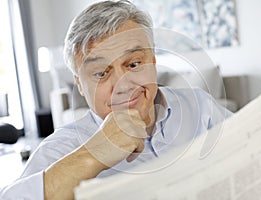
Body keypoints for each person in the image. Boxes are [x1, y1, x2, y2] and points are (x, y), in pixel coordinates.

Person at [0, 1, 232, 199]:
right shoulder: (61, 149)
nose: (124, 85)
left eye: (133, 64)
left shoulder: (200, 106)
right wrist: (94, 154)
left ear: (153, 62)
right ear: (80, 84)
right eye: (101, 73)